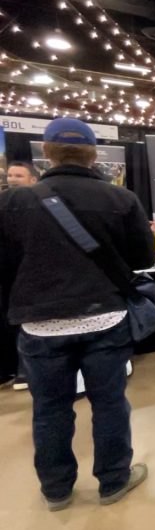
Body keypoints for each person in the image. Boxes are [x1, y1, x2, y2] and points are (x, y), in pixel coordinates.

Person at [0, 118, 155, 510]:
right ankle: (113, 480)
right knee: (109, 402)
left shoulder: (15, 202)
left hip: (40, 322)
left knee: (50, 408)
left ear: (47, 152)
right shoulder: (120, 199)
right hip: (104, 316)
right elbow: (144, 257)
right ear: (92, 153)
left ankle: (56, 489)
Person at [0, 161, 39, 391]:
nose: (13, 179)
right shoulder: (4, 204)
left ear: (33, 179)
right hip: (9, 276)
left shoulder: (44, 207)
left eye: (19, 175)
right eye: (11, 175)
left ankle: (26, 372)